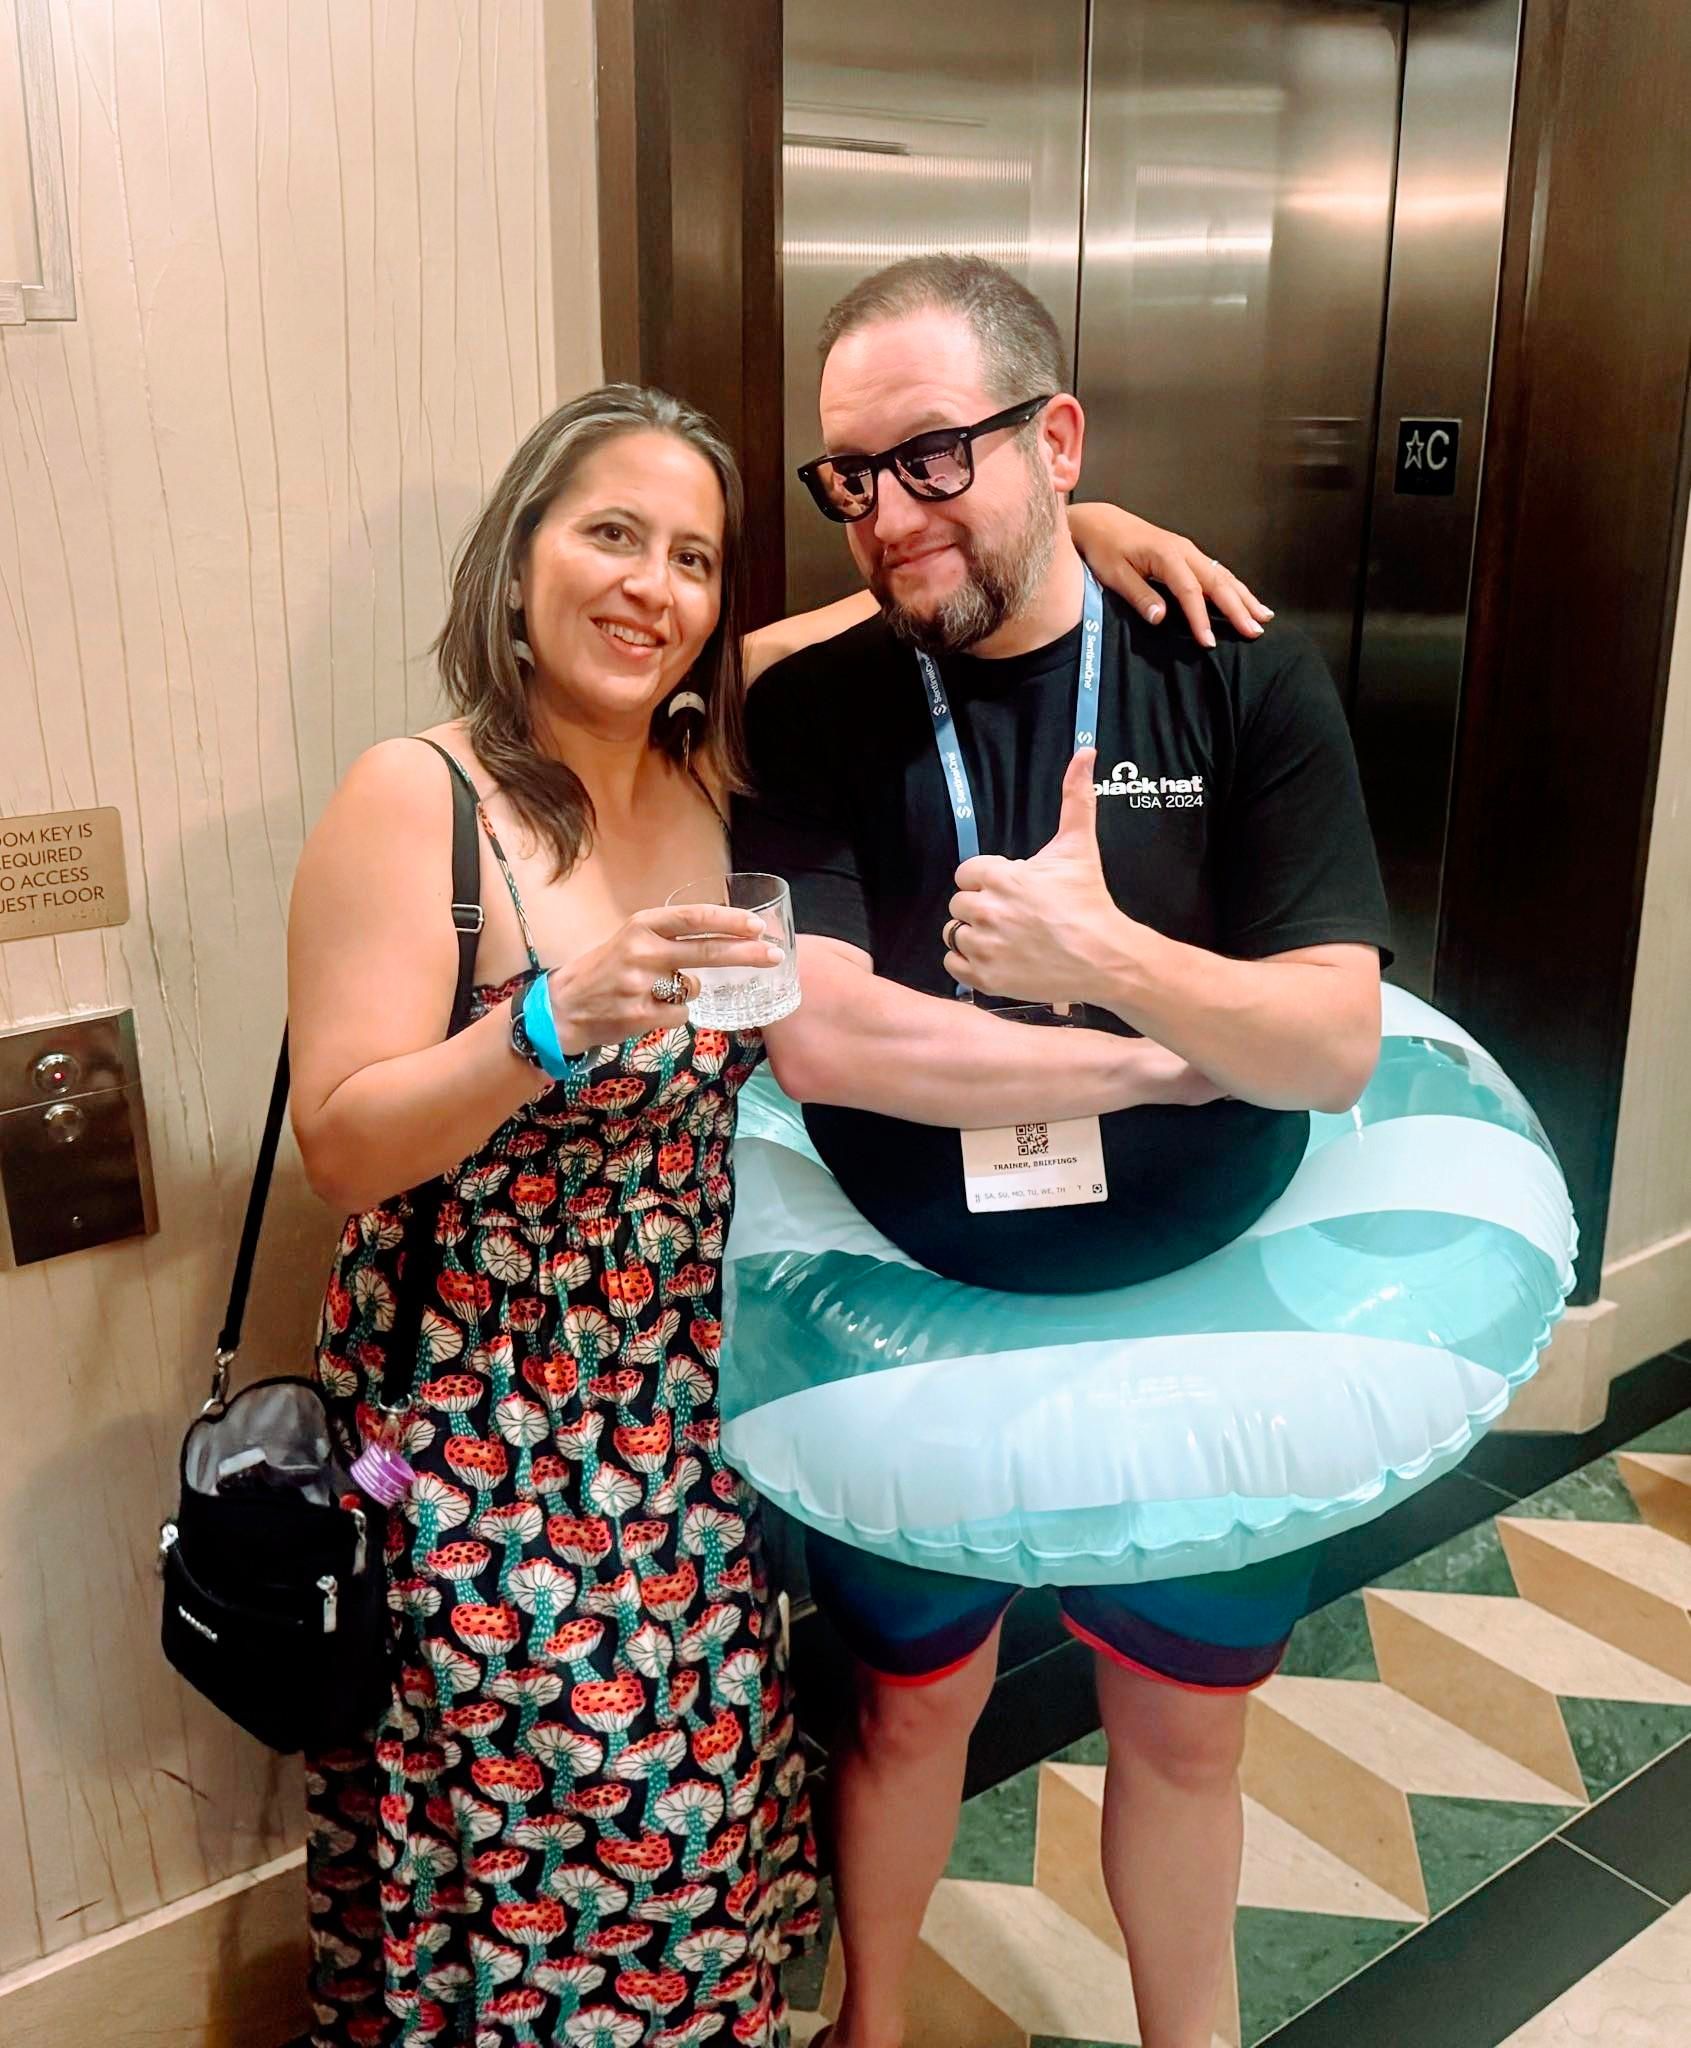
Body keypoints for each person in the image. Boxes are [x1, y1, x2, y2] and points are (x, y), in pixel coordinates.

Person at [287, 376, 1261, 2047]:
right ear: (519, 556)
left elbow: (928, 595)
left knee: (712, 1852)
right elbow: (344, 1145)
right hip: (484, 1454)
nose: (645, 586)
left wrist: (1078, 528)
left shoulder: (710, 755)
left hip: (688, 1428)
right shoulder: (422, 797)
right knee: (564, 1862)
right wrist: (544, 1023)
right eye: (606, 534)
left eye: (689, 555)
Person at [736, 256, 1392, 2048]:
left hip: (1202, 1313)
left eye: (936, 456)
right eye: (851, 475)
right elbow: (830, 1034)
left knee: (1183, 1737)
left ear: (1059, 440)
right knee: (908, 1710)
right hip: (909, 1320)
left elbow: (1330, 1037)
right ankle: (873, 2026)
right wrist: (1182, 1061)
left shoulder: (1233, 669)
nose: (887, 514)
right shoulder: (811, 709)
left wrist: (1104, 965)